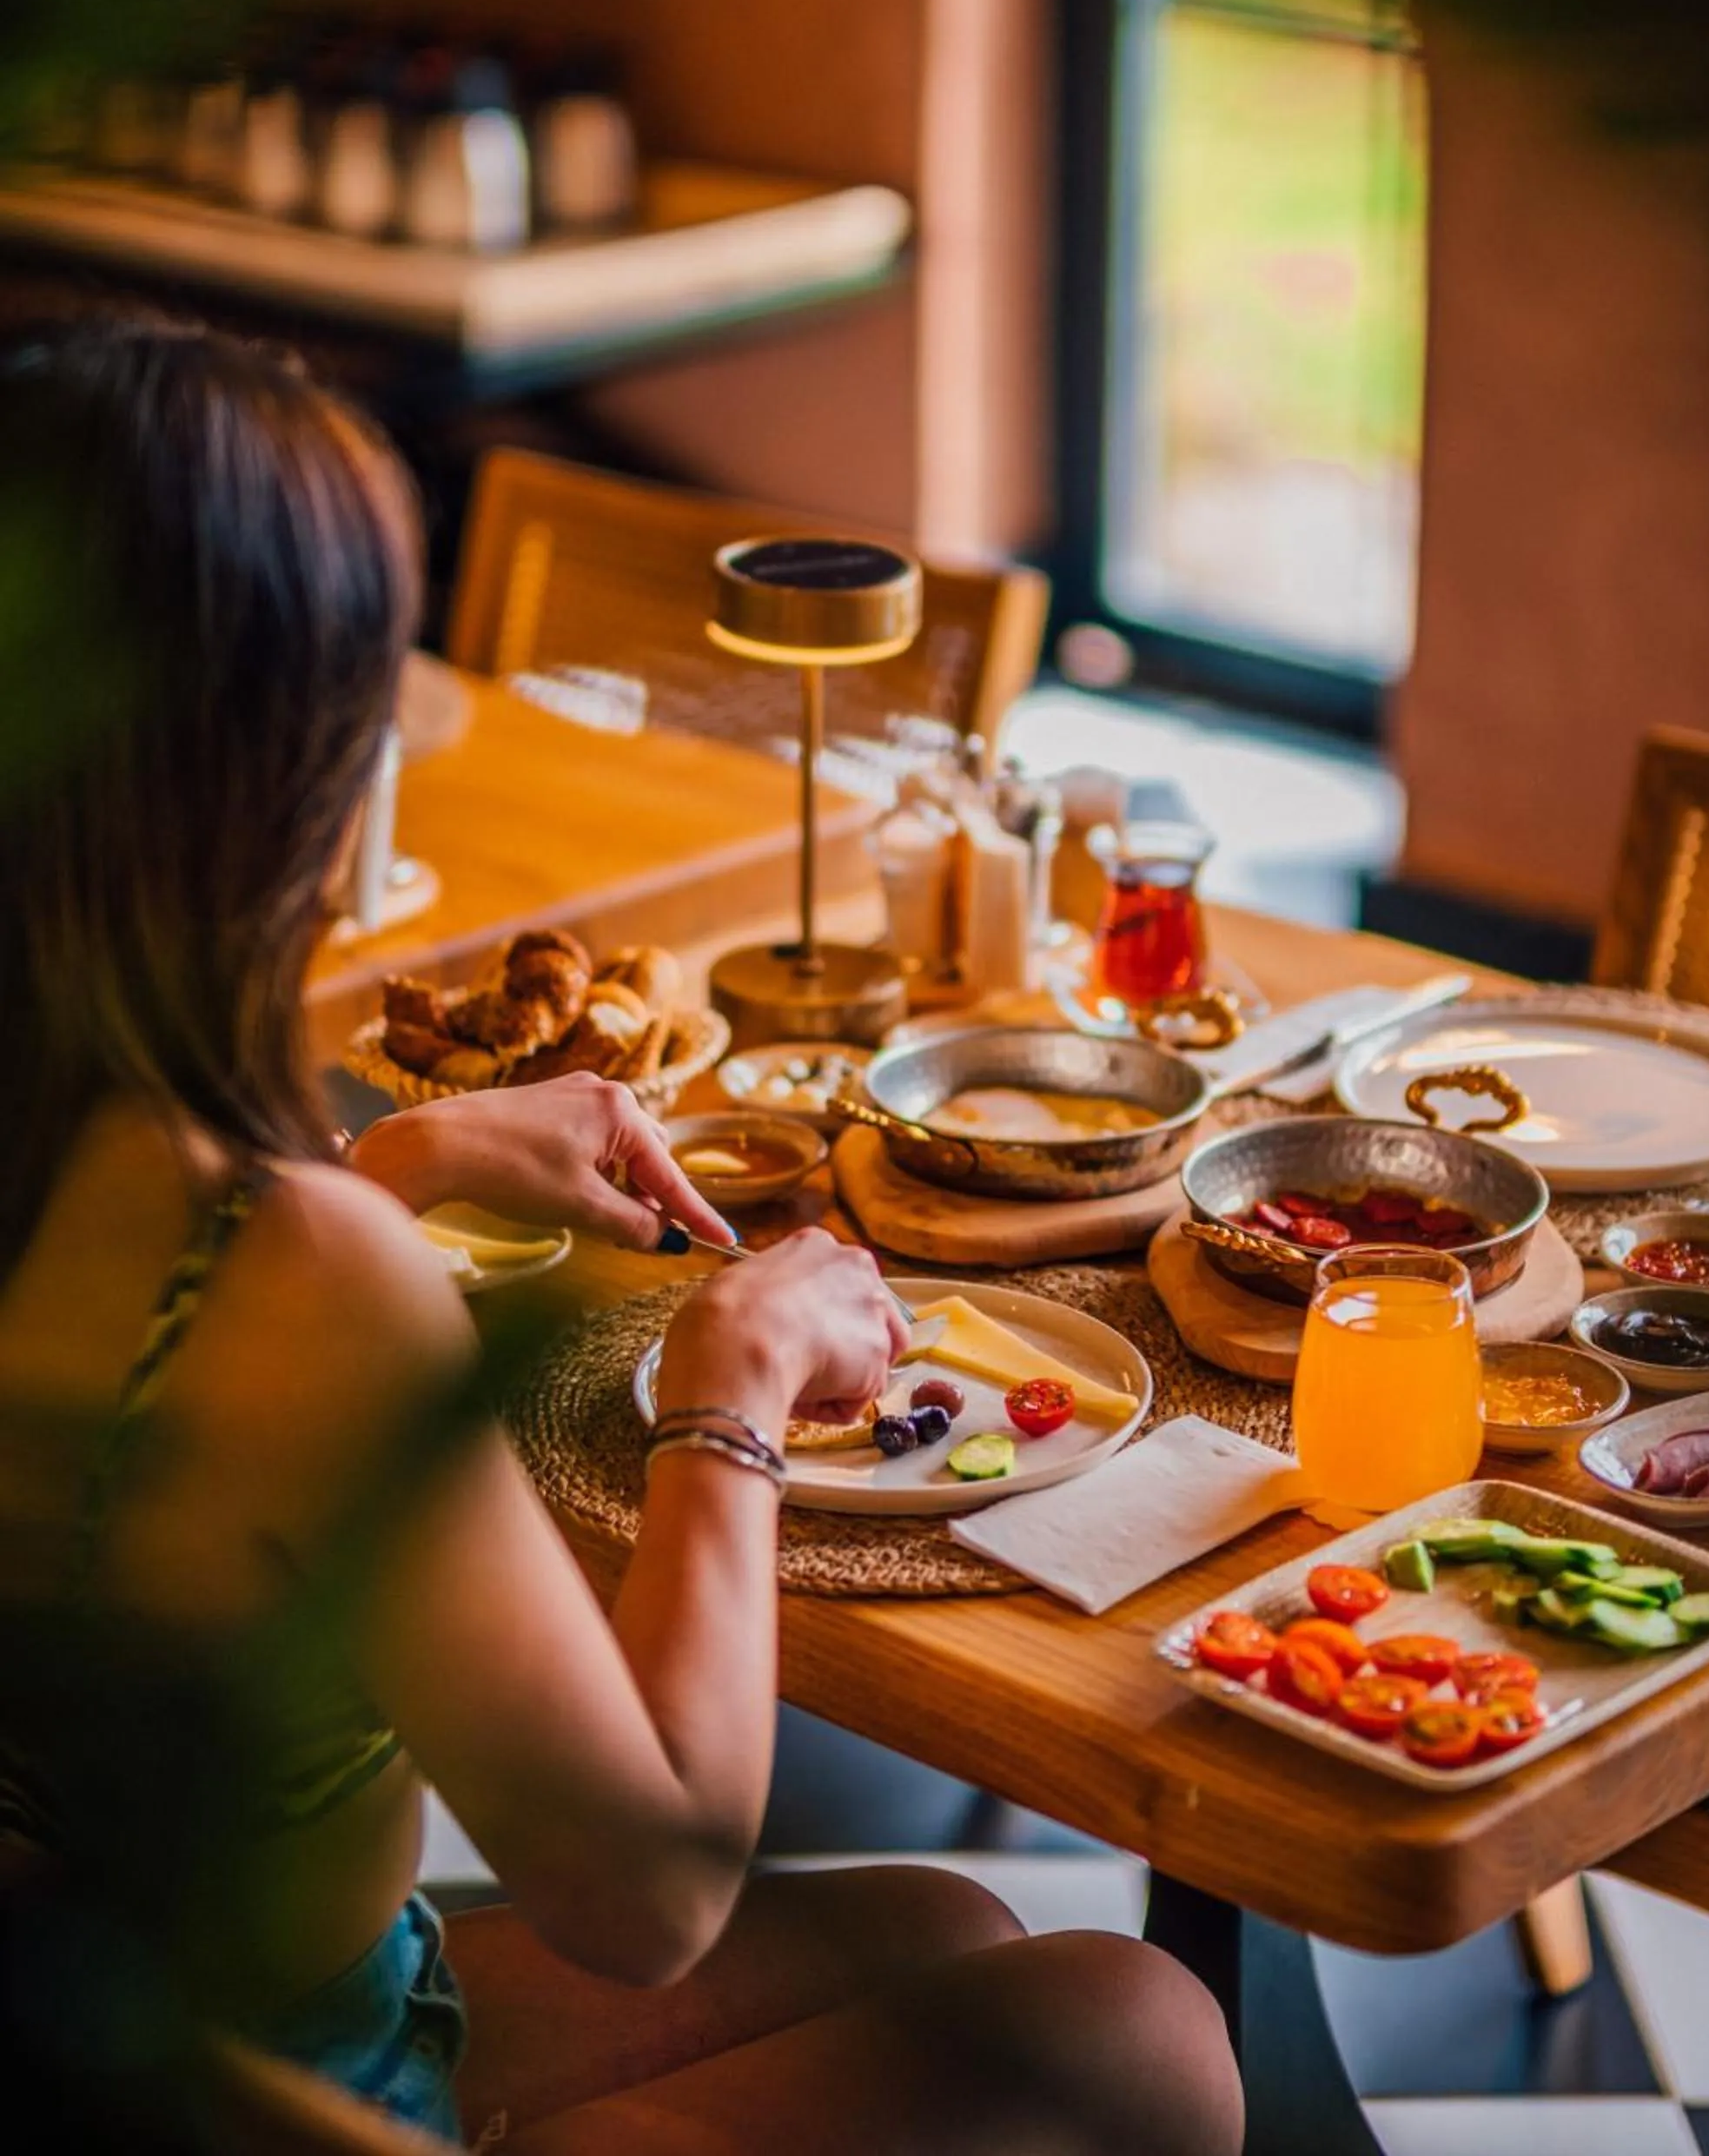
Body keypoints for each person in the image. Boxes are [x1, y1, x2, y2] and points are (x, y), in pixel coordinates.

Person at [0, 313, 1242, 2156]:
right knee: (1133, 2030)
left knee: (956, 1925)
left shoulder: (138, 1194)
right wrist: (722, 1387)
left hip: (123, 2025)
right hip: (266, 2105)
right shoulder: (303, 1287)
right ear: (265, 788)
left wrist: (393, 1163)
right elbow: (646, 1896)